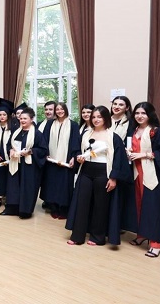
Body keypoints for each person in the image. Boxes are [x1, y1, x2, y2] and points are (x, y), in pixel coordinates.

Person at [65, 105, 131, 246]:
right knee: (81, 203)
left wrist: (113, 178)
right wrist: (78, 158)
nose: (96, 119)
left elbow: (119, 159)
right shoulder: (85, 134)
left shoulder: (113, 137)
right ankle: (77, 236)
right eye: (93, 117)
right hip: (86, 170)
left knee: (100, 205)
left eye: (99, 117)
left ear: (106, 118)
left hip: (103, 172)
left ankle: (97, 237)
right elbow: (77, 150)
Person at [127, 102, 160, 257]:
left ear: (150, 115)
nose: (139, 116)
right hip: (137, 174)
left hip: (154, 175)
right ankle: (142, 234)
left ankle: (156, 243)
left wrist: (145, 154)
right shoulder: (134, 130)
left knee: (155, 208)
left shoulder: (157, 132)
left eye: (143, 113)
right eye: (137, 113)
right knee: (139, 205)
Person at [1, 107, 47, 219]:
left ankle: (25, 211)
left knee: (27, 187)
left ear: (31, 119)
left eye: (25, 118)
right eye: (21, 118)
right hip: (15, 163)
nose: (22, 120)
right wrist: (10, 150)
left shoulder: (37, 134)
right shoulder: (16, 132)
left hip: (29, 166)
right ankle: (12, 209)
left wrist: (30, 151)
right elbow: (9, 144)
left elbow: (43, 150)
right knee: (13, 186)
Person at [40, 102, 80, 220]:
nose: (59, 111)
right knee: (52, 184)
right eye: (57, 109)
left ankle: (64, 209)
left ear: (66, 110)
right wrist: (45, 153)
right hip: (51, 160)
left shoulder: (73, 125)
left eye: (62, 109)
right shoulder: (50, 124)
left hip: (66, 161)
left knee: (64, 185)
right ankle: (54, 208)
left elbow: (75, 142)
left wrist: (73, 157)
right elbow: (44, 140)